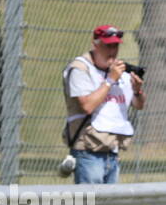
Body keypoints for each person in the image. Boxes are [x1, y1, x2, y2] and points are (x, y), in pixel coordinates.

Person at [61, 24, 145, 184]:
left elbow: (139, 105)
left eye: (115, 46)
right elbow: (87, 106)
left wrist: (137, 90)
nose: (112, 51)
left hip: (112, 151)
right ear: (95, 44)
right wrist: (110, 80)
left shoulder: (119, 70)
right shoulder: (80, 69)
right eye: (108, 46)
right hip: (88, 151)